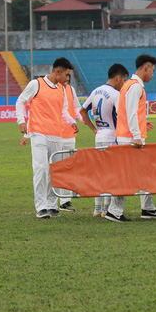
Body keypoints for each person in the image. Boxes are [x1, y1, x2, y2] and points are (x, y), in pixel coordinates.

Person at [16, 57, 77, 219]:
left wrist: (71, 122)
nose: (67, 78)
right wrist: (21, 121)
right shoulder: (36, 85)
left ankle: (52, 205)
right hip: (38, 133)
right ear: (58, 72)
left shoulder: (61, 89)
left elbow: (63, 110)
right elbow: (21, 101)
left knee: (54, 171)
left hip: (56, 135)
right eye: (66, 75)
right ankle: (41, 206)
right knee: (41, 169)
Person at [111, 55, 156, 222]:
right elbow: (131, 112)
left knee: (144, 173)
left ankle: (147, 208)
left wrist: (141, 124)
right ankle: (114, 211)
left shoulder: (129, 85)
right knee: (127, 175)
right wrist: (136, 135)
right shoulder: (135, 87)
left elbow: (125, 112)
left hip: (128, 135)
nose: (153, 75)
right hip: (130, 139)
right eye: (153, 71)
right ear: (147, 67)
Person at [79, 63, 129, 217]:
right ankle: (106, 209)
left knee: (100, 172)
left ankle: (97, 208)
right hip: (112, 136)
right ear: (118, 77)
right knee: (112, 174)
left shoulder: (96, 91)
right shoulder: (115, 94)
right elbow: (121, 116)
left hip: (99, 135)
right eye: (124, 81)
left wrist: (94, 129)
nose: (123, 85)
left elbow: (82, 111)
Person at [57, 75, 82, 212]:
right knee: (55, 167)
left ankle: (65, 201)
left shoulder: (71, 90)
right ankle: (51, 201)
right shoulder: (54, 89)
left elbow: (77, 108)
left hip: (69, 135)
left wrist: (83, 119)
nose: (67, 78)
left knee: (68, 167)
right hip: (54, 134)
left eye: (68, 76)